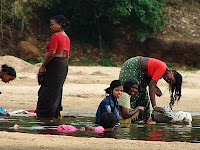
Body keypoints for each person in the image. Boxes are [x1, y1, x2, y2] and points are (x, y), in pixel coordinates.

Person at [119, 56, 182, 122]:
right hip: (133, 66)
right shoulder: (162, 68)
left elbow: (150, 80)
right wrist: (154, 106)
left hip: (142, 73)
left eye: (168, 82)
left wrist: (155, 87)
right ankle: (123, 115)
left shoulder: (161, 71)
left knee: (143, 96)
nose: (167, 80)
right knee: (131, 91)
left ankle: (141, 121)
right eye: (169, 79)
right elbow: (151, 85)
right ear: (173, 72)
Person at [36, 15, 71, 119]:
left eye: (52, 24)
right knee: (56, 90)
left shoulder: (56, 36)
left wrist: (43, 66)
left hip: (55, 65)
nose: (50, 27)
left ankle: (45, 116)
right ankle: (55, 113)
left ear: (59, 25)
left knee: (48, 90)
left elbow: (51, 53)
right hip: (63, 66)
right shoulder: (66, 37)